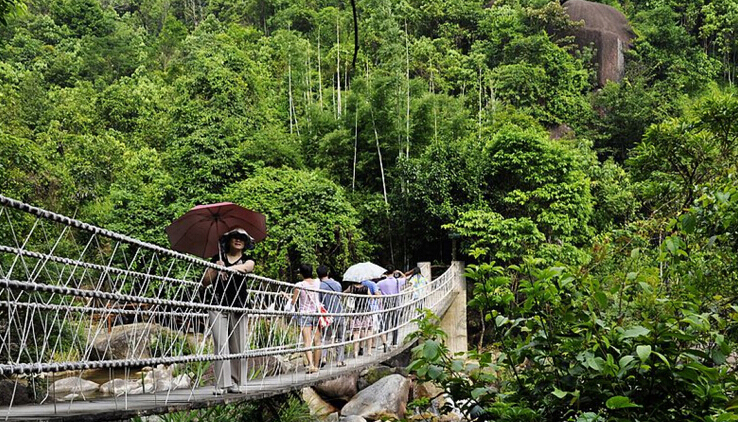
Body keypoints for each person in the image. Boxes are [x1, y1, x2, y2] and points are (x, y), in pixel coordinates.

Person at [202, 228, 255, 394]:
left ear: (245, 243)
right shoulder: (217, 259)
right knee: (220, 343)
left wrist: (229, 270)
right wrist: (215, 268)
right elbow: (204, 282)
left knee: (238, 345)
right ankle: (221, 384)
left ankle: (235, 382)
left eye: (242, 238)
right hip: (217, 304)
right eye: (235, 237)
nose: (238, 240)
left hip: (238, 305)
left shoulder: (247, 259)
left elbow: (248, 268)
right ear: (229, 240)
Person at [285, 264, 322, 374]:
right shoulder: (317, 283)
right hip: (315, 313)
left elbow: (293, 301)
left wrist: (286, 297)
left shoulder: (299, 285)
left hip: (304, 314)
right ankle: (316, 365)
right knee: (317, 341)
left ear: (301, 273)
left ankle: (310, 365)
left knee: (307, 341)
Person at [317, 265, 346, 367]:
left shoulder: (320, 286)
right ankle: (339, 361)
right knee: (340, 337)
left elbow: (319, 302)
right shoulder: (337, 284)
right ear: (328, 273)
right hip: (339, 313)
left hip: (327, 317)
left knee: (326, 338)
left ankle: (324, 357)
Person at [377, 266, 406, 348]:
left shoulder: (381, 283)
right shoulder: (397, 281)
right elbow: (405, 278)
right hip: (395, 303)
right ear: (393, 272)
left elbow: (375, 288)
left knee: (385, 322)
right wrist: (399, 272)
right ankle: (394, 342)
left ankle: (384, 343)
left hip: (386, 303)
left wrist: (382, 276)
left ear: (386, 272)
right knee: (395, 323)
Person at [345, 281, 373, 358]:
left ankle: (355, 352)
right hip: (366, 311)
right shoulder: (365, 288)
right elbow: (371, 298)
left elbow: (344, 293)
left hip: (356, 312)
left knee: (356, 332)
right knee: (369, 330)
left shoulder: (351, 288)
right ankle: (369, 351)